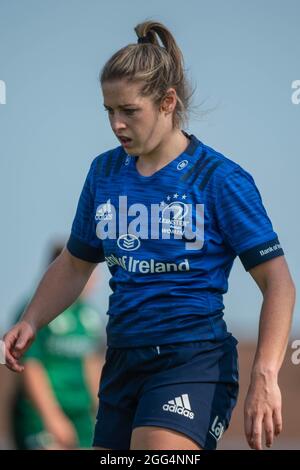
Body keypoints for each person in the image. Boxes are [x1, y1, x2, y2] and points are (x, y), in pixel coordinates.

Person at [2, 20, 295, 451]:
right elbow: (75, 262)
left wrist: (265, 375)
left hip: (192, 360)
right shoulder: (103, 172)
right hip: (122, 362)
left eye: (129, 111)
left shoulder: (220, 179)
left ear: (167, 103)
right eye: (109, 111)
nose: (117, 124)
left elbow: (279, 283)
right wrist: (30, 320)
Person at [12, 243, 106, 450]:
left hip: (82, 419)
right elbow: (30, 366)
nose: (95, 279)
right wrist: (51, 417)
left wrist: (102, 412)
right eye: (90, 270)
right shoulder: (35, 313)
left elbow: (93, 366)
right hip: (43, 419)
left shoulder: (89, 316)